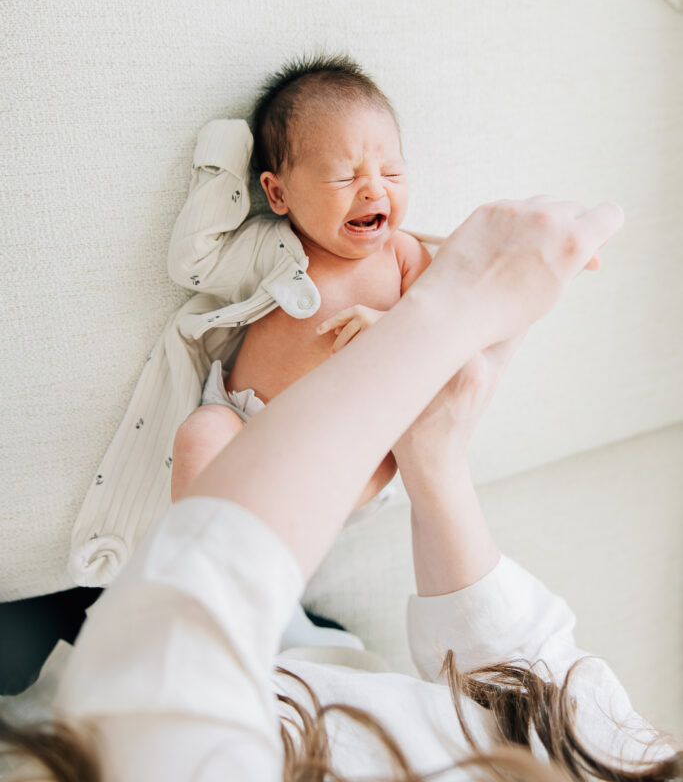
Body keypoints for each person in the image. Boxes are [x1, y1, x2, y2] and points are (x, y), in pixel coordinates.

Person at [2, 192, 680, 782]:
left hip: (107, 673)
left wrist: (449, 310)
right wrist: (435, 459)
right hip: (315, 653)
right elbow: (542, 687)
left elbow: (154, 723)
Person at [169, 54, 434, 648]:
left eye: (392, 172)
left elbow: (446, 330)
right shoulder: (274, 246)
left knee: (387, 457)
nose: (374, 189)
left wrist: (393, 328)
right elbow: (191, 264)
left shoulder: (405, 257)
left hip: (342, 455)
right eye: (344, 177)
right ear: (278, 193)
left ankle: (262, 604)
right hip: (244, 423)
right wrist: (223, 157)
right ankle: (196, 587)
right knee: (200, 431)